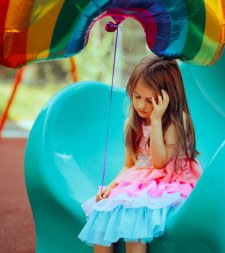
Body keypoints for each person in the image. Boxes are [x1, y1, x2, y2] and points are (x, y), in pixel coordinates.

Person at [78, 55, 203, 253]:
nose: (142, 106)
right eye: (137, 96)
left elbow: (160, 163)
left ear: (167, 98)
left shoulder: (176, 122)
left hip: (168, 181)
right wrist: (111, 187)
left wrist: (156, 120)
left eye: (150, 100)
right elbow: (129, 165)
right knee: (102, 217)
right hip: (138, 181)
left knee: (134, 226)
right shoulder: (133, 123)